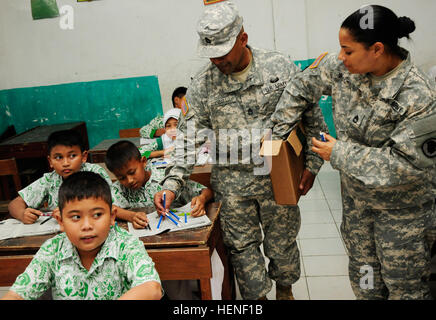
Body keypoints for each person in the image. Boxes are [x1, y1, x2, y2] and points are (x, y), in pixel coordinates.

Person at [154, 1, 325, 300]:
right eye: (211, 55)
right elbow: (187, 140)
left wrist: (312, 164)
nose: (217, 61)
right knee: (242, 251)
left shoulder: (279, 67)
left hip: (278, 178)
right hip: (232, 186)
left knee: (283, 245)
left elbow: (311, 116)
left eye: (222, 52)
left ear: (243, 38)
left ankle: (286, 292)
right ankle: (257, 301)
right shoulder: (203, 85)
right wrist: (171, 183)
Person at [271, 5, 436, 299]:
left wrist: (339, 152)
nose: (340, 57)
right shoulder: (343, 71)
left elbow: (406, 166)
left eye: (348, 50)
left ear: (377, 49)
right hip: (358, 215)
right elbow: (300, 86)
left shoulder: (419, 95)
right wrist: (277, 137)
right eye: (340, 49)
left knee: (407, 292)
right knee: (366, 286)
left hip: (403, 222)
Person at [1, 171, 162, 300]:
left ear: (112, 216)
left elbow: (151, 288)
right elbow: (17, 294)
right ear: (61, 221)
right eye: (76, 217)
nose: (87, 226)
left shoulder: (125, 244)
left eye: (97, 215)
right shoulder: (53, 249)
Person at [8, 129, 112, 224]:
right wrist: (22, 214)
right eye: (58, 157)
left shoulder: (95, 173)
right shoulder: (49, 180)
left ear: (84, 157)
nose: (65, 163)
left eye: (72, 156)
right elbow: (15, 203)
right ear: (50, 161)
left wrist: (68, 212)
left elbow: (109, 205)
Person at [105, 140, 213, 229]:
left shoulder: (167, 177)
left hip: (180, 230)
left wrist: (202, 199)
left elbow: (206, 191)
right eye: (121, 178)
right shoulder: (119, 189)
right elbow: (106, 207)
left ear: (143, 161)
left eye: (132, 172)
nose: (129, 180)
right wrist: (131, 216)